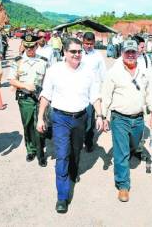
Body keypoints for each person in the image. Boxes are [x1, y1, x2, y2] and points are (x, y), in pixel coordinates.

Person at [36, 38, 103, 213]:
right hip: (60, 119)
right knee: (62, 155)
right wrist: (40, 118)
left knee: (75, 151)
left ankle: (73, 172)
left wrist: (100, 115)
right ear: (64, 52)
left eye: (79, 51)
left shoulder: (88, 72)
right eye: (73, 51)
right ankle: (62, 196)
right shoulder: (54, 71)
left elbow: (94, 95)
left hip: (81, 118)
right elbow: (45, 95)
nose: (77, 54)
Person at [101, 40, 152, 202]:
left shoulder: (145, 71)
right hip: (119, 118)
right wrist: (104, 117)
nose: (131, 55)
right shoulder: (114, 72)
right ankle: (123, 185)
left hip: (138, 119)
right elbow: (106, 96)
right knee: (121, 153)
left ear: (138, 53)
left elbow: (150, 94)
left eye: (133, 52)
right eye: (128, 52)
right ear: (122, 53)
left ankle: (133, 150)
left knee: (133, 146)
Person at [8, 35, 49, 167]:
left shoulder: (43, 61)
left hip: (40, 98)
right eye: (27, 46)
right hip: (25, 98)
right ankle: (31, 150)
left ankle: (41, 153)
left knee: (41, 125)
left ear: (36, 46)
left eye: (32, 46)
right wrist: (25, 85)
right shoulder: (18, 61)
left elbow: (48, 80)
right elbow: (12, 80)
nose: (29, 49)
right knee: (28, 125)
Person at [81, 32, 106, 152]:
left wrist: (103, 93)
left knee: (90, 119)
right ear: (83, 42)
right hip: (78, 92)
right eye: (86, 43)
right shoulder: (77, 53)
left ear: (94, 43)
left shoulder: (98, 56)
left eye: (91, 44)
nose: (89, 46)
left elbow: (103, 75)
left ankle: (88, 141)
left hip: (92, 93)